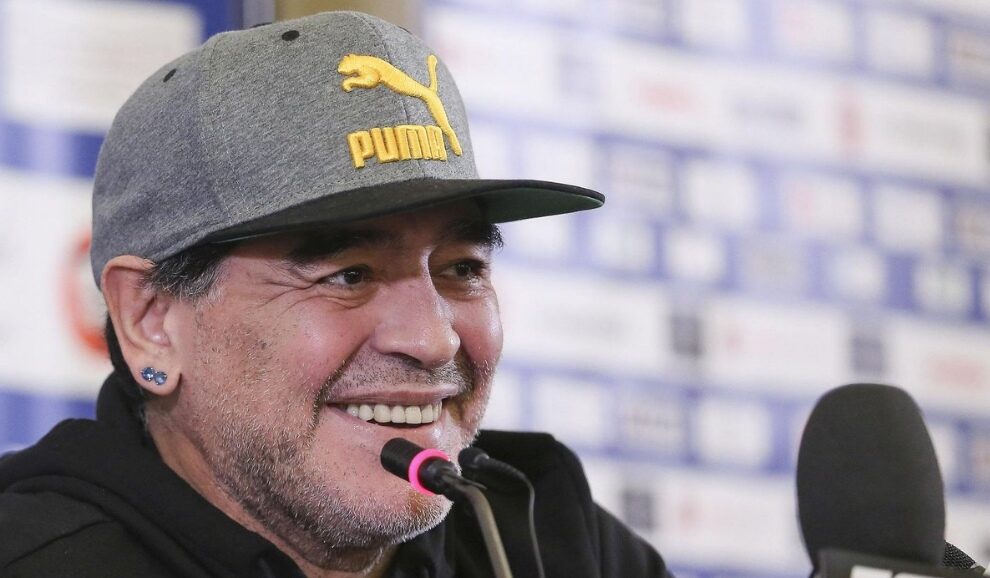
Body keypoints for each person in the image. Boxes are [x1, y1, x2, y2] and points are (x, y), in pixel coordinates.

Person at [0, 11, 669, 578]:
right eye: (349, 275)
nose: (433, 339)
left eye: (462, 268)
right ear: (151, 322)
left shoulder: (549, 539)